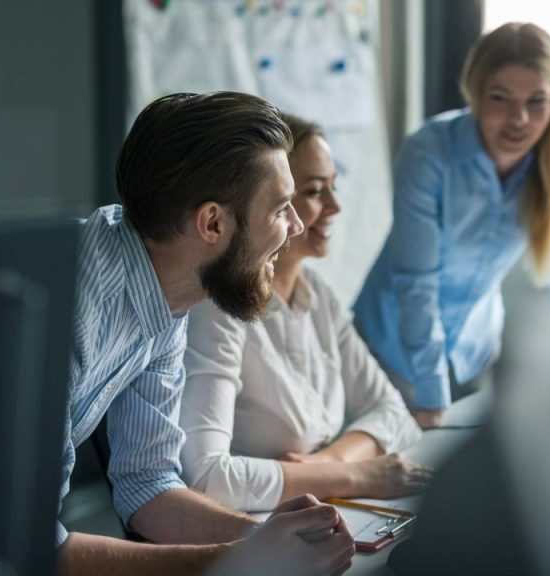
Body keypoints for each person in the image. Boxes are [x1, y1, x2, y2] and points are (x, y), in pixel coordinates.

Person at [57, 92, 355, 576]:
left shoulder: (168, 294)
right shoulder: (71, 305)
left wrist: (266, 538)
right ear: (212, 222)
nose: (298, 225)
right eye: (281, 208)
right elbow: (35, 547)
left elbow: (148, 484)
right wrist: (243, 559)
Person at [180, 113, 430, 513]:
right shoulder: (218, 308)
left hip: (320, 506)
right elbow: (208, 481)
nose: (334, 206)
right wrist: (355, 475)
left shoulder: (317, 295)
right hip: (251, 527)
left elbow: (392, 411)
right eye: (314, 191)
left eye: (333, 187)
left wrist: (325, 464)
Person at [353, 22, 550, 429]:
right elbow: (417, 282)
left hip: (474, 351)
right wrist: (431, 395)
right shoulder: (429, 151)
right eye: (501, 99)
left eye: (537, 101)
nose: (519, 119)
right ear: (475, 93)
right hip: (391, 351)